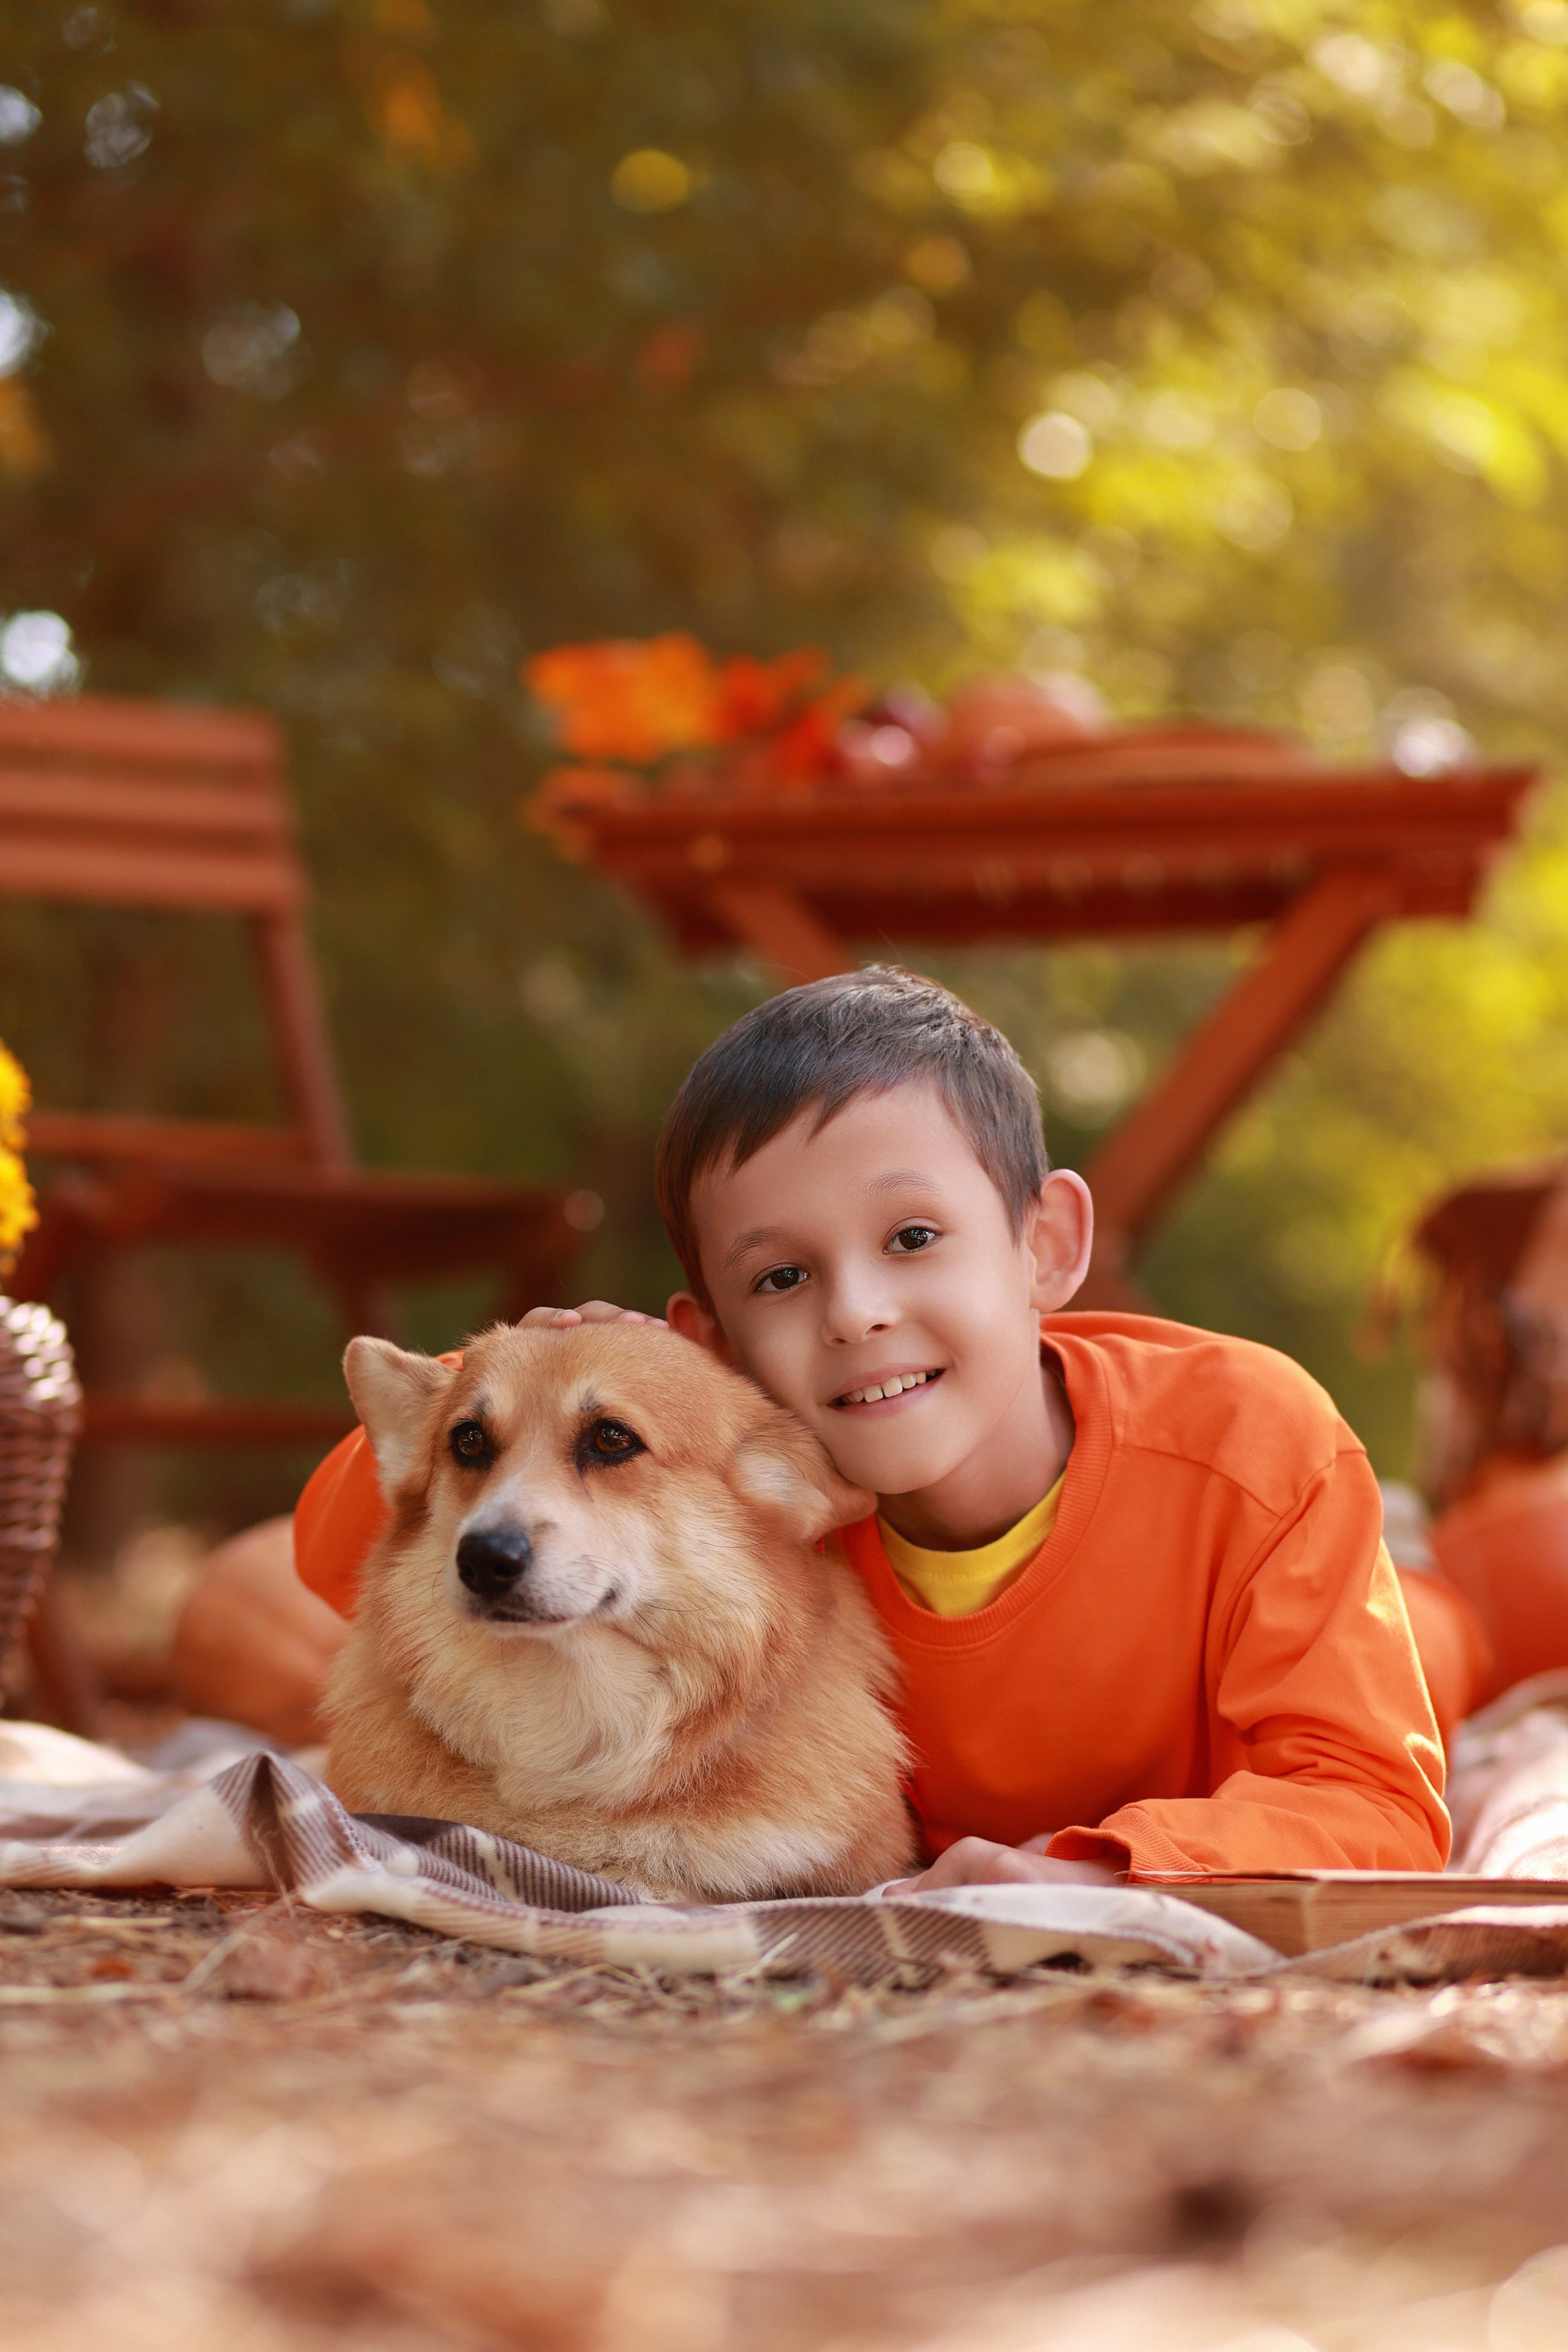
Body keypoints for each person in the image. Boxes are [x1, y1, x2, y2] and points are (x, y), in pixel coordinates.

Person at [180, 967, 1450, 1885]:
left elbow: (1376, 1808)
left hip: (1267, 1700)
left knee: (1436, 1648)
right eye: (779, 1278)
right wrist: (516, 1375)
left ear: (1045, 1243)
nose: (855, 1314)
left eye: (912, 1239)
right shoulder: (734, 1497)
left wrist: (1106, 1869)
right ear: (715, 1343)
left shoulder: (1250, 1446)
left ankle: (1432, 1569)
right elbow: (331, 1553)